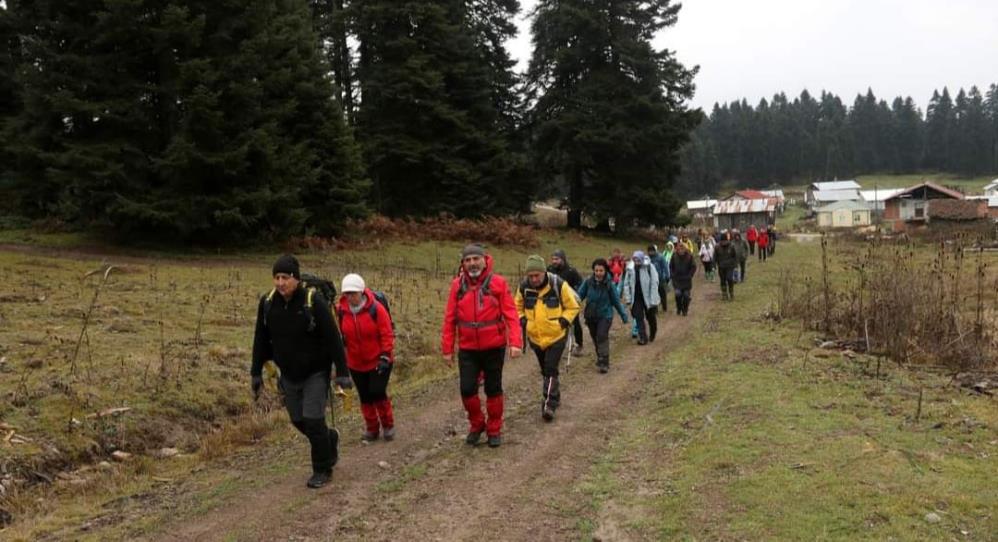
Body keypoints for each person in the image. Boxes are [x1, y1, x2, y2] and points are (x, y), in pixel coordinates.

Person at [251, 254, 352, 489]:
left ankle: (322, 469)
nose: (280, 282)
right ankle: (329, 439)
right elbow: (260, 338)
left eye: (285, 277)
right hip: (288, 374)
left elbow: (333, 338)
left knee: (314, 419)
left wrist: (343, 373)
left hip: (316, 371)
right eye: (276, 277)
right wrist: (256, 372)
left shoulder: (312, 300)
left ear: (295, 279)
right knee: (298, 420)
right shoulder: (267, 303)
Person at [441, 244, 523, 448]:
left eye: (475, 259)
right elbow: (449, 318)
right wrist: (447, 349)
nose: (472, 264)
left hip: (494, 347)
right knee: (467, 390)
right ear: (463, 264)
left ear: (485, 260)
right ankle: (477, 424)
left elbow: (511, 315)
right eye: (467, 260)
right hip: (468, 348)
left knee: (493, 388)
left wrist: (515, 342)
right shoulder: (456, 286)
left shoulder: (498, 283)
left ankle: (494, 428)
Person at [515, 255, 581, 422]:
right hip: (535, 338)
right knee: (545, 370)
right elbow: (516, 306)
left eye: (537, 275)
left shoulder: (558, 284)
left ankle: (549, 404)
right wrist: (522, 319)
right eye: (530, 276)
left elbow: (573, 305)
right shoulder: (523, 288)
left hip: (557, 336)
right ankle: (555, 395)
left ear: (544, 272)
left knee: (550, 368)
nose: (534, 279)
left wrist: (563, 321)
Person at [337, 274, 395, 442]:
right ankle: (372, 428)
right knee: (364, 396)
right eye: (347, 293)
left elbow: (387, 333)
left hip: (379, 360)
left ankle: (388, 425)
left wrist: (385, 355)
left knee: (377, 392)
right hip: (355, 362)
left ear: (361, 292)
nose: (350, 297)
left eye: (353, 293)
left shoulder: (376, 309)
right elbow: (341, 336)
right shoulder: (341, 311)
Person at [576, 259, 630, 373]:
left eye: (601, 270)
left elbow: (616, 301)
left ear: (605, 271)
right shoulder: (588, 282)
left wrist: (623, 315)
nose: (598, 273)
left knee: (601, 335)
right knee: (595, 337)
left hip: (605, 315)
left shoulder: (609, 285)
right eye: (596, 270)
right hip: (590, 316)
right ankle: (600, 357)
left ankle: (604, 362)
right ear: (593, 271)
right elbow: (579, 296)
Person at [548, 249, 585, 356]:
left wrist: (576, 297)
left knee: (575, 323)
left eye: (557, 259)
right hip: (554, 302)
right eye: (553, 259)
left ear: (563, 259)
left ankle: (579, 344)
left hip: (570, 302)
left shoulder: (571, 271)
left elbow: (581, 284)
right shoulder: (549, 270)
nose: (554, 261)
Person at [621, 250, 660, 345]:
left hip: (648, 297)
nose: (636, 262)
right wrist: (628, 299)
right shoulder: (630, 269)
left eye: (638, 260)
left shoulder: (649, 267)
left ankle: (653, 332)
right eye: (634, 260)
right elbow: (626, 284)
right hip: (636, 297)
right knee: (638, 317)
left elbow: (655, 283)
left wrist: (653, 299)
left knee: (650, 317)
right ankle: (643, 337)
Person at [670, 241, 697, 316]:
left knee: (686, 295)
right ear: (677, 249)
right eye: (679, 249)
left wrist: (690, 275)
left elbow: (693, 267)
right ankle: (679, 308)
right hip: (677, 279)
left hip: (686, 280)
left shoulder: (689, 256)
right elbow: (671, 266)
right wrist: (672, 274)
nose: (681, 250)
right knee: (678, 294)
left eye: (682, 249)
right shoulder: (674, 256)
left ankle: (685, 309)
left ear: (685, 249)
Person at [715, 233, 738, 301]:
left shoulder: (731, 246)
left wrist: (735, 265)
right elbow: (715, 257)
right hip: (721, 266)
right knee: (722, 280)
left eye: (725, 241)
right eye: (723, 241)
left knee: (730, 279)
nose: (724, 243)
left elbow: (734, 256)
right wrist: (714, 265)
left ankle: (731, 293)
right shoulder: (717, 247)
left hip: (729, 266)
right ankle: (724, 294)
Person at [647, 244, 670, 313]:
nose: (650, 253)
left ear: (654, 251)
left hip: (660, 279)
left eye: (652, 251)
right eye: (649, 251)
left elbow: (665, 267)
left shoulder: (660, 257)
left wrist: (667, 276)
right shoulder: (648, 259)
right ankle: (655, 309)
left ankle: (664, 307)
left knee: (662, 293)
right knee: (654, 294)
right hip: (651, 279)